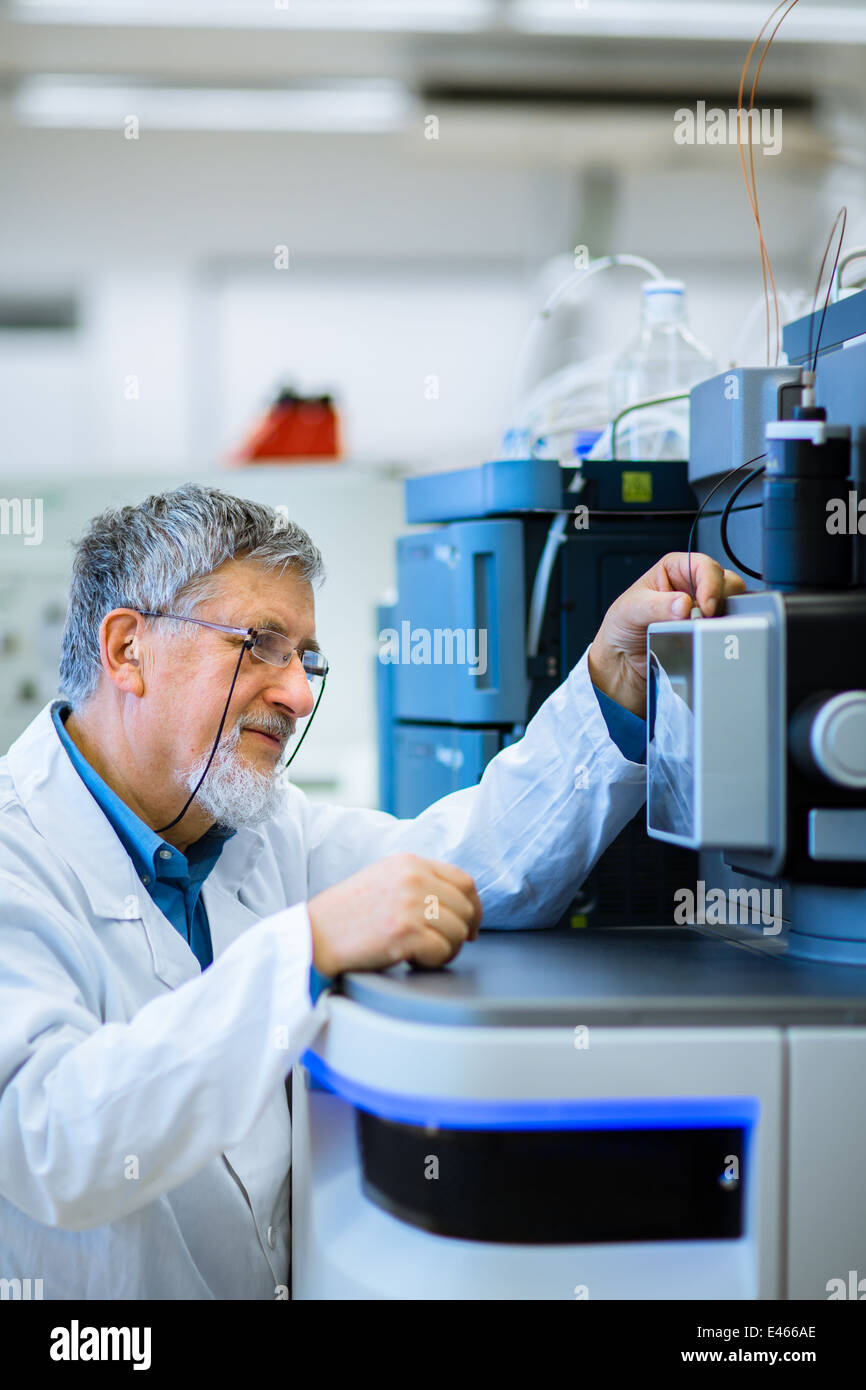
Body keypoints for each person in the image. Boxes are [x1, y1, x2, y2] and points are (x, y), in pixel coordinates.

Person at [0, 484, 744, 1299]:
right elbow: (50, 1139)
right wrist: (309, 946)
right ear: (127, 650)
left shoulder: (257, 830)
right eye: (259, 645)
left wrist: (614, 678)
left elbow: (470, 868)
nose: (299, 694)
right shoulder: (19, 852)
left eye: (305, 659)